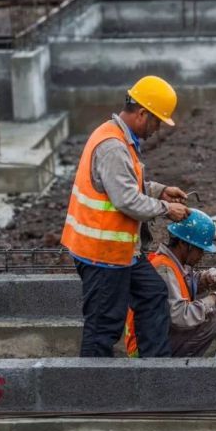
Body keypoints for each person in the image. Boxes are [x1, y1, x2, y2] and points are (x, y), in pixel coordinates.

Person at [60, 75, 191, 358]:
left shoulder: (119, 138)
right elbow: (127, 200)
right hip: (103, 255)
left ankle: (155, 368)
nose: (157, 129)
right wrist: (167, 209)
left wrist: (160, 191)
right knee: (103, 326)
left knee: (153, 293)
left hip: (122, 253)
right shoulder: (113, 147)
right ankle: (95, 390)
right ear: (143, 113)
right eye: (157, 121)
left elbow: (124, 185)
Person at [124, 209, 216, 358]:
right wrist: (214, 299)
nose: (201, 255)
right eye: (199, 249)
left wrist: (205, 280)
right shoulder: (164, 269)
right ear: (183, 244)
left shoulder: (171, 263)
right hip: (144, 349)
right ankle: (179, 368)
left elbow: (182, 285)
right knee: (213, 314)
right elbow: (181, 317)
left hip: (153, 337)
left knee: (211, 310)